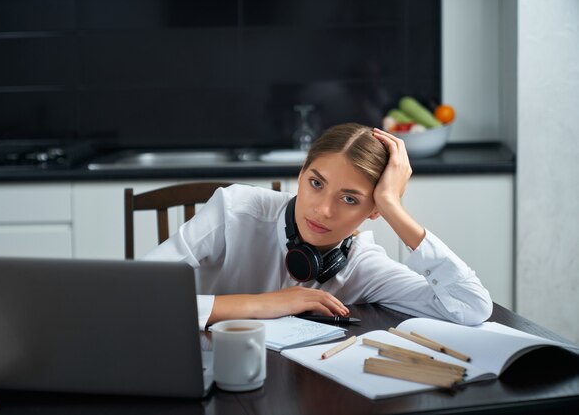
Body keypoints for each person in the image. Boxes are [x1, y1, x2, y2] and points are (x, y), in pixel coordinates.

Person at [143, 123, 493, 330]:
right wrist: (263, 304)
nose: (323, 210)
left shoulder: (363, 264)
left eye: (350, 199)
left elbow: (469, 306)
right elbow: (132, 297)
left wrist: (392, 206)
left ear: (374, 211)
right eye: (315, 183)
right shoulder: (235, 209)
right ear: (300, 173)